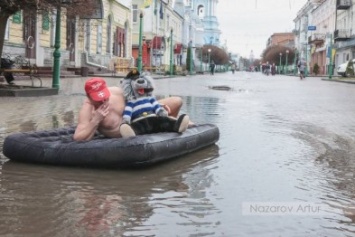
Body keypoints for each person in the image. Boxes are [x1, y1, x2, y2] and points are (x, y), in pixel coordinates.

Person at [73, 77, 183, 141]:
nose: (103, 101)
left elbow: (138, 98)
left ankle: (170, 124)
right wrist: (96, 120)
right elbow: (78, 138)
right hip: (128, 133)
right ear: (88, 97)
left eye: (104, 96)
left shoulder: (116, 91)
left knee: (177, 101)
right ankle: (171, 123)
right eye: (98, 98)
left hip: (142, 116)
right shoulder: (88, 110)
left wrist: (156, 107)